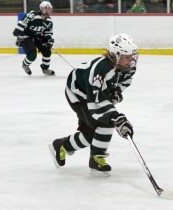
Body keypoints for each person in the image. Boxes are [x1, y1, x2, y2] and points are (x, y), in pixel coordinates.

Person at [49, 33, 138, 177]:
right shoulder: (100, 70)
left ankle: (62, 145)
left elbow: (123, 82)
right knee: (105, 122)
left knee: (91, 135)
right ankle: (97, 159)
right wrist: (115, 117)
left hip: (92, 92)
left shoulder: (128, 66)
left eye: (132, 56)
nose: (131, 60)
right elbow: (97, 102)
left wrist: (116, 91)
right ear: (116, 55)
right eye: (127, 56)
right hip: (79, 93)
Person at [13, 1, 55, 76]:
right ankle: (25, 65)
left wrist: (49, 40)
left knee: (47, 50)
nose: (48, 10)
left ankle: (45, 69)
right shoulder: (32, 15)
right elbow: (21, 25)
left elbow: (47, 33)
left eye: (49, 9)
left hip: (36, 36)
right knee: (32, 55)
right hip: (25, 36)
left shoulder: (49, 21)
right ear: (41, 9)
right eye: (46, 8)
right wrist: (18, 34)